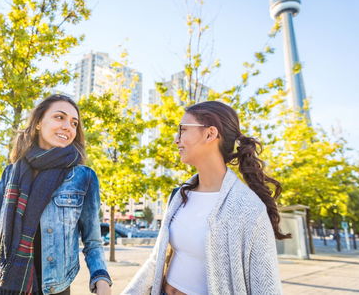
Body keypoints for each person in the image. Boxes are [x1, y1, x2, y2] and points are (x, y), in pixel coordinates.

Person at [123, 101, 290, 295]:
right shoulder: (179, 196)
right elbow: (156, 259)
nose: (176, 139)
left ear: (210, 134)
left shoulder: (249, 209)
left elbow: (266, 289)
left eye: (183, 130)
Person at [0, 94, 112, 295]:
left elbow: (92, 240)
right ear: (38, 123)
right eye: (59, 117)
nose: (68, 127)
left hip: (55, 288)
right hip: (4, 283)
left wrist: (101, 278)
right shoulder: (11, 174)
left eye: (74, 123)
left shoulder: (83, 177)